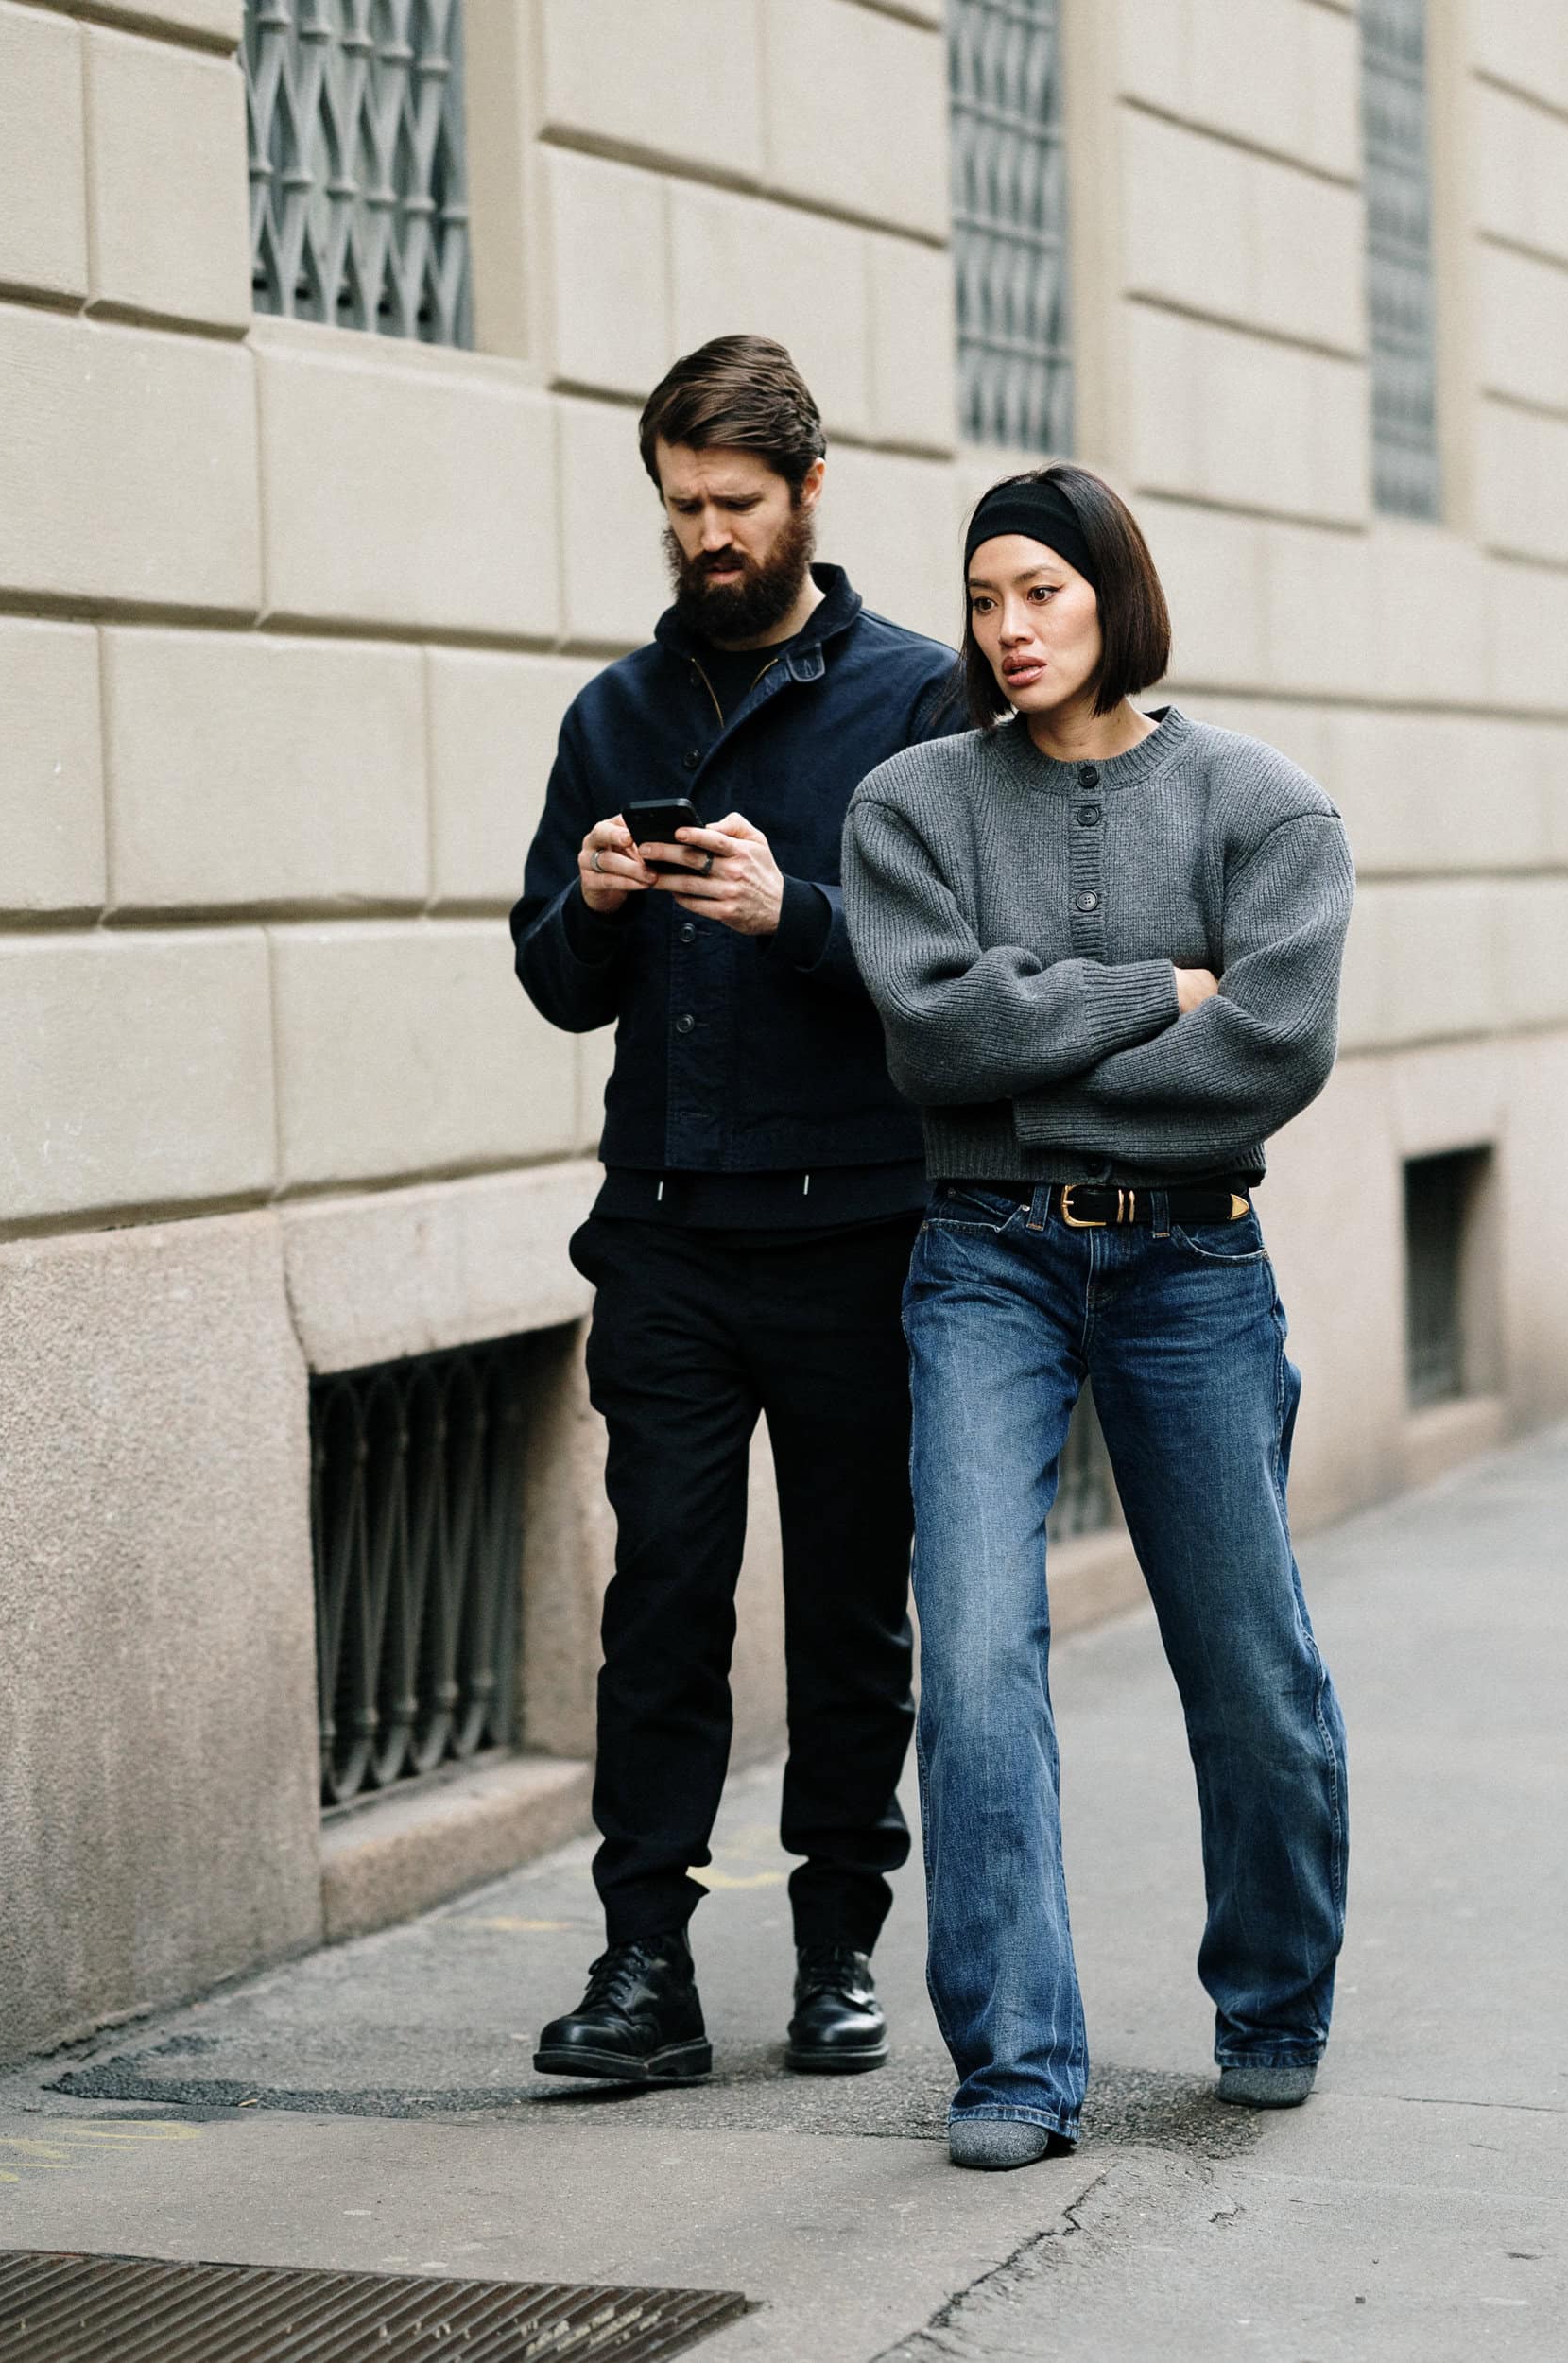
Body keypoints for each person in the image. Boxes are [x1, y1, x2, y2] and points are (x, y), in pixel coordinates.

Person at [841, 465, 1354, 2169]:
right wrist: (1157, 994)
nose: (1007, 629)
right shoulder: (909, 806)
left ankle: (1273, 2001)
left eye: (1041, 595)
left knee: (1245, 1652)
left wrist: (1045, 1052)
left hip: (1193, 1267)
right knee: (975, 1657)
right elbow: (930, 1041)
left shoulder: (1262, 807)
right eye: (985, 597)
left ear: (1112, 599)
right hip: (979, 1261)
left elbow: (1268, 1056)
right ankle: (1012, 2063)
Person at [510, 336, 956, 2086]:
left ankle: (837, 1949)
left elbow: (956, 974)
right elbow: (553, 982)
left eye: (735, 505)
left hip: (860, 1231)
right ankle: (643, 1971)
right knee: (665, 1596)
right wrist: (604, 900)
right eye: (680, 505)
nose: (704, 534)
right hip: (670, 1237)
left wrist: (803, 911)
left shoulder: (920, 700)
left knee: (851, 1606)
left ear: (809, 494)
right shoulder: (612, 713)